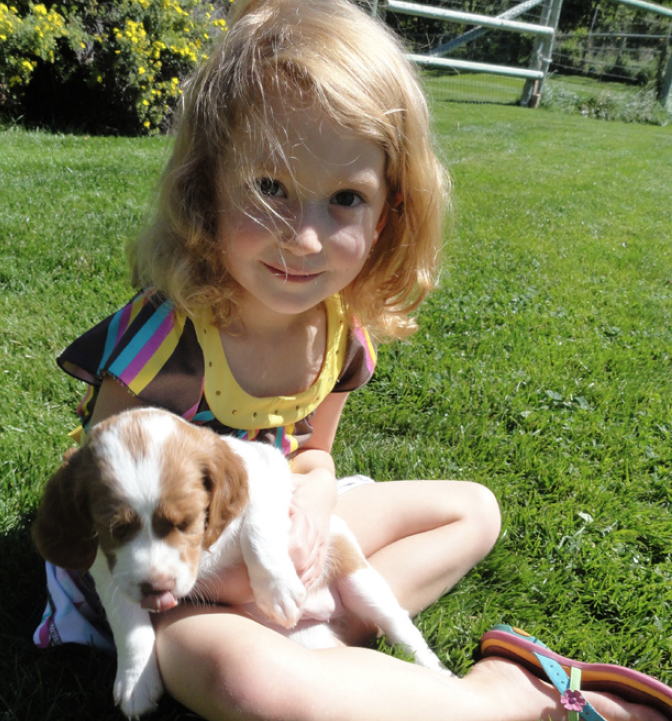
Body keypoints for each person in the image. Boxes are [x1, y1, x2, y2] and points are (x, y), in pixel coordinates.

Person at [34, 1, 672, 719]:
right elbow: (101, 497)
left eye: (344, 199)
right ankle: (504, 694)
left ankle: (320, 636)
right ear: (207, 182)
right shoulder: (168, 340)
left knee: (474, 510)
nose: (304, 238)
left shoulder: (340, 334)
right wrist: (229, 585)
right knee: (247, 682)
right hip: (184, 590)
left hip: (280, 535)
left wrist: (307, 513)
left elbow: (313, 456)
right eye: (270, 188)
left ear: (388, 213)